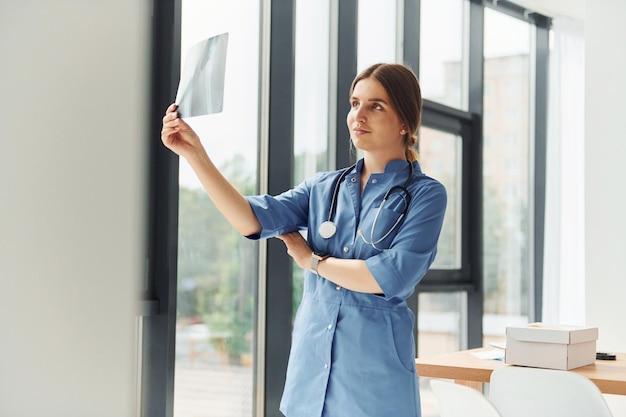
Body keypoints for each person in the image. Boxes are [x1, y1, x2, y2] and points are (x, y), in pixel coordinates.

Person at [161, 62, 447, 417]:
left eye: (376, 106)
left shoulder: (425, 195)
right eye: (355, 103)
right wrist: (194, 154)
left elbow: (390, 276)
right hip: (310, 378)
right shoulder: (324, 188)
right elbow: (249, 219)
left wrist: (312, 262)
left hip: (373, 384)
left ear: (405, 122)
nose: (359, 115)